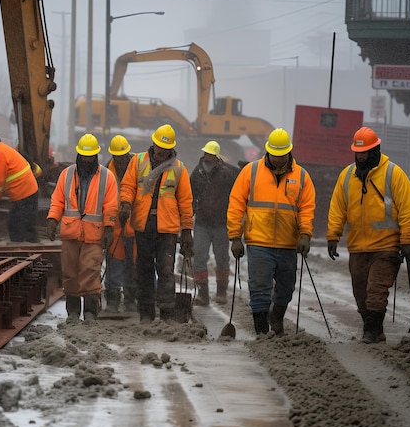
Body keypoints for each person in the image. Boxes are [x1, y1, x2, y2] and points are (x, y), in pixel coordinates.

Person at [327, 126, 410, 344]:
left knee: (376, 291)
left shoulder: (394, 174)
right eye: (358, 153)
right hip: (358, 247)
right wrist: (333, 236)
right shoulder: (347, 176)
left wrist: (408, 240)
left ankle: (370, 331)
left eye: (365, 152)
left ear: (375, 150)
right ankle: (375, 330)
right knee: (361, 294)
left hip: (386, 248)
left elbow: (406, 208)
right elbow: (338, 208)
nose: (361, 156)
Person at [227, 128, 316, 336]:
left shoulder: (302, 176)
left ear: (289, 152)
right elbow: (236, 204)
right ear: (267, 151)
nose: (277, 159)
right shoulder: (251, 171)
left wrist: (305, 234)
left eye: (281, 155)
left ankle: (276, 316)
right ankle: (261, 331)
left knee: (286, 288)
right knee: (259, 286)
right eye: (274, 154)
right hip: (259, 241)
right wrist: (234, 237)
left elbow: (307, 208)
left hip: (288, 243)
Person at [118, 124, 194, 323]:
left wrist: (186, 230)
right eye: (159, 146)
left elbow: (186, 202)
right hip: (143, 225)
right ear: (153, 143)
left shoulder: (178, 169)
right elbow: (127, 185)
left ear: (171, 149)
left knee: (166, 270)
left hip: (167, 229)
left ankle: (167, 313)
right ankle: (146, 313)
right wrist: (125, 204)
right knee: (143, 270)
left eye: (164, 148)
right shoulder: (138, 161)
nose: (160, 151)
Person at [46, 134, 119, 323]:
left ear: (96, 156)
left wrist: (109, 227)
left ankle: (90, 312)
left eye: (91, 156)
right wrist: (53, 219)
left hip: (94, 234)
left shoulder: (106, 177)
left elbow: (111, 205)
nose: (87, 160)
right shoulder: (67, 174)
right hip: (71, 233)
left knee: (90, 271)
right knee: (70, 273)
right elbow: (58, 200)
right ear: (79, 155)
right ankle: (72, 312)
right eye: (84, 156)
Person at [190, 141, 240, 305]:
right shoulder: (197, 173)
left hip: (221, 224)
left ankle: (221, 293)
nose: (208, 157)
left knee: (222, 258)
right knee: (199, 257)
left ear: (217, 156)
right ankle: (203, 294)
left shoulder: (229, 173)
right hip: (202, 223)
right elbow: (189, 197)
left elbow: (239, 193)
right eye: (207, 154)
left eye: (211, 154)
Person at [104, 135, 138, 313]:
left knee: (133, 265)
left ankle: (131, 299)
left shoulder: (139, 168)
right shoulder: (106, 172)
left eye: (123, 156)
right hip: (115, 225)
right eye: (117, 156)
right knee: (115, 264)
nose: (120, 159)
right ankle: (113, 299)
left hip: (135, 225)